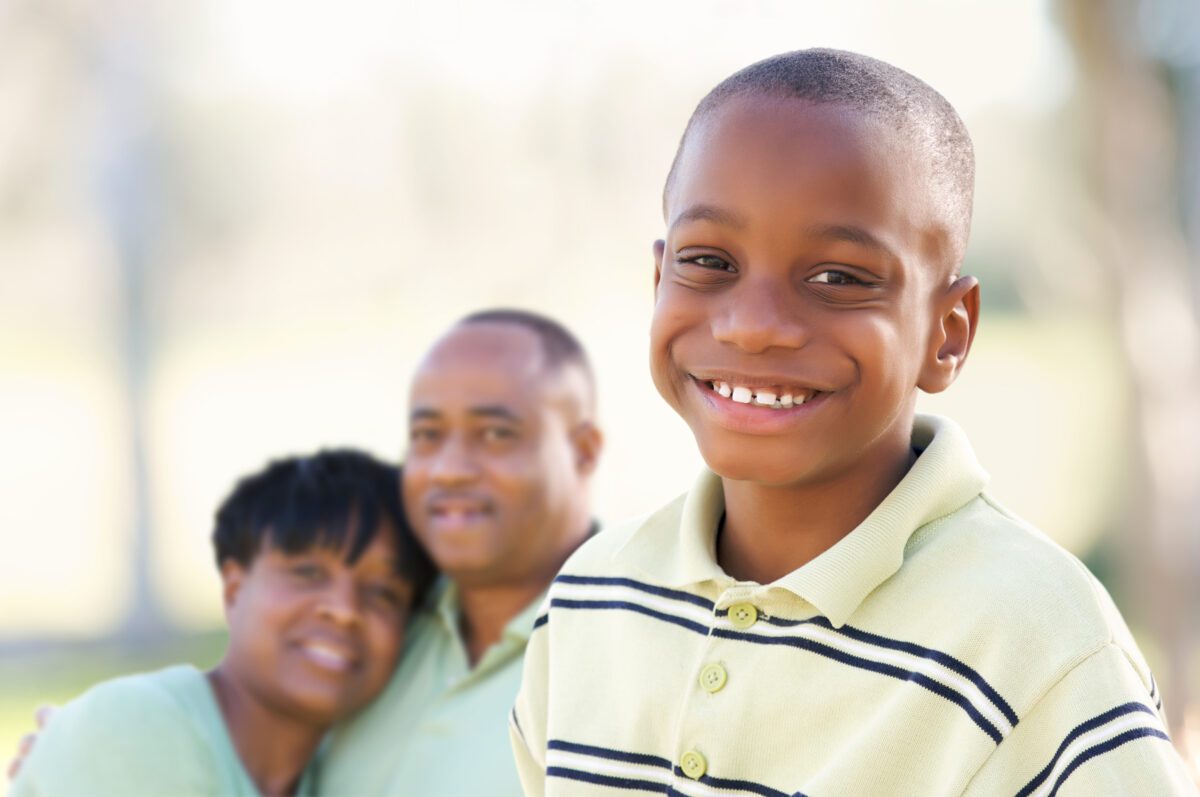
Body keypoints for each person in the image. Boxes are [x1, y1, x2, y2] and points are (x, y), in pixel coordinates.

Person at [510, 49, 1198, 796]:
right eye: (709, 261)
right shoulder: (589, 599)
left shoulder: (1036, 639)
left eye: (838, 277)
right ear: (658, 279)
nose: (753, 326)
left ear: (948, 332)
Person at [8, 449, 435, 797]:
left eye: (384, 592)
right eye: (307, 573)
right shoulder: (142, 725)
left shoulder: (320, 777)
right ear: (234, 588)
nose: (344, 609)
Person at [317, 309, 603, 795]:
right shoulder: (363, 630)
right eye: (427, 436)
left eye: (494, 434)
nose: (448, 471)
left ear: (582, 452)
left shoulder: (640, 645)